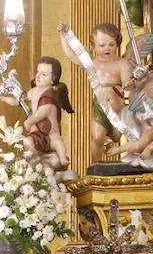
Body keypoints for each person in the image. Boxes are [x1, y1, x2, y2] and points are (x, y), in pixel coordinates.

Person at [58, 22, 136, 162]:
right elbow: (71, 55)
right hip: (100, 107)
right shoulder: (92, 63)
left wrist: (129, 84)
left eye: (111, 44)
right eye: (102, 45)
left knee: (118, 136)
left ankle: (123, 152)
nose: (107, 48)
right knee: (97, 137)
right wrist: (63, 35)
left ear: (117, 44)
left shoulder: (122, 63)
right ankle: (95, 164)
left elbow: (127, 83)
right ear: (93, 46)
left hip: (118, 108)